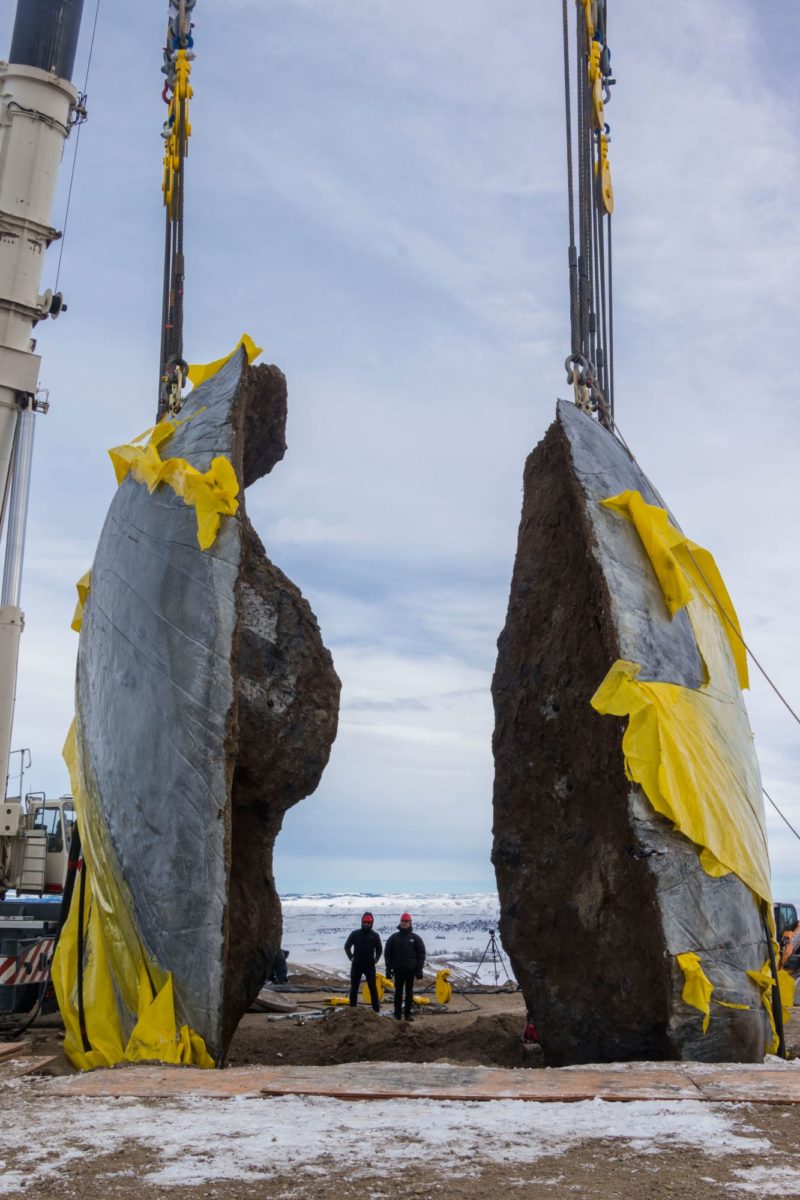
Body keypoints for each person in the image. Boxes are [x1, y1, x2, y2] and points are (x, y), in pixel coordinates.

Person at [384, 912, 426, 1021]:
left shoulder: (415, 938)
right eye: (402, 921)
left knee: (409, 993)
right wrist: (388, 970)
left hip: (410, 971)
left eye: (406, 921)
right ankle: (397, 1014)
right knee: (398, 993)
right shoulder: (394, 938)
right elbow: (387, 954)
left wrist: (419, 970)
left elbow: (421, 954)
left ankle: (407, 1014)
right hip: (398, 971)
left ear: (410, 923)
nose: (404, 923)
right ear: (400, 922)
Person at [344, 912, 383, 1012]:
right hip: (356, 964)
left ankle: (376, 1010)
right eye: (365, 922)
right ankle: (353, 1010)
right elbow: (347, 946)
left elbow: (379, 949)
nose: (366, 924)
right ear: (362, 922)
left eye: (368, 923)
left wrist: (376, 959)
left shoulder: (374, 936)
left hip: (369, 965)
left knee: (373, 988)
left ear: (372, 923)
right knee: (354, 988)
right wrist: (351, 957)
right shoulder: (355, 934)